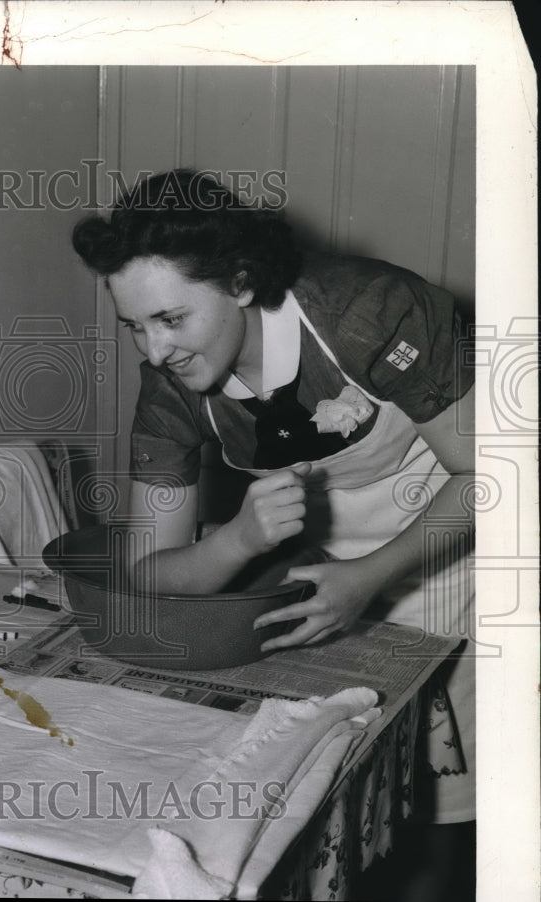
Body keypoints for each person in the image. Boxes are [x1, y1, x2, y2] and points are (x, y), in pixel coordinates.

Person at [71, 169, 475, 901]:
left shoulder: (368, 311)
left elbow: (495, 478)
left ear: (243, 282)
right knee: (330, 791)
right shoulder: (172, 392)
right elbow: (149, 572)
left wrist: (373, 575)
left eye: (171, 319)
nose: (154, 351)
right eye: (134, 324)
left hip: (456, 536)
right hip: (329, 563)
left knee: (440, 797)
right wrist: (237, 542)